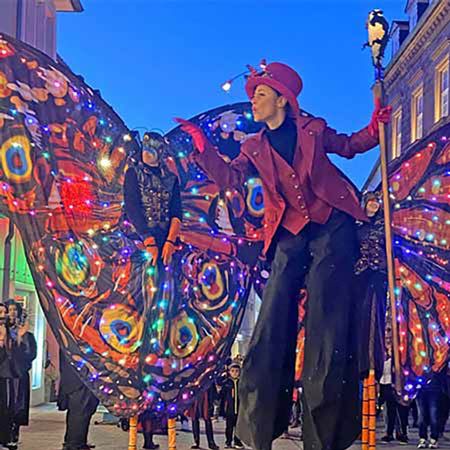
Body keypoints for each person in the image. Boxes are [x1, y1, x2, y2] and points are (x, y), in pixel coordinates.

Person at [176, 60, 391, 450]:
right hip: (290, 232)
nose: (253, 102)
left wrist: (377, 122)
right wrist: (203, 151)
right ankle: (258, 431)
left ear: (281, 99)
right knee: (272, 318)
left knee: (326, 325)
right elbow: (230, 179)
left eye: (260, 94)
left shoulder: (313, 130)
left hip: (331, 226)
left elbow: (351, 146)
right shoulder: (253, 146)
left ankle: (323, 437)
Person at [5, 300, 37, 449]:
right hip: (4, 375)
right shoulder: (2, 332)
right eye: (9, 310)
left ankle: (13, 435)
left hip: (18, 375)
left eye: (14, 310)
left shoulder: (26, 334)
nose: (11, 313)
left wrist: (21, 339)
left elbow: (31, 354)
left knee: (17, 407)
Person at [57, 349, 99, 450]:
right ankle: (75, 444)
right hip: (80, 379)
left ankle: (77, 442)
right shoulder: (75, 337)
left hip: (80, 378)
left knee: (82, 412)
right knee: (79, 413)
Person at [417, 372, 445, 449]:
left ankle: (434, 438)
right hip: (420, 386)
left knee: (434, 414)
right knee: (421, 415)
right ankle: (422, 438)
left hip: (435, 386)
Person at [187, 384, 219, 450]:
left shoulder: (207, 374)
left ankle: (211, 442)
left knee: (207, 420)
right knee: (194, 419)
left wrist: (213, 399)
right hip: (195, 396)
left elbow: (211, 384)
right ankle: (196, 441)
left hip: (206, 396)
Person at [220, 363, 243, 449]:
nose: (235, 373)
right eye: (232, 371)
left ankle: (237, 441)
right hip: (229, 409)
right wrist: (222, 411)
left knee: (238, 427)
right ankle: (228, 441)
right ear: (229, 372)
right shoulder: (226, 383)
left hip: (239, 409)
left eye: (237, 371)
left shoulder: (241, 382)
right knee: (229, 427)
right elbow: (222, 397)